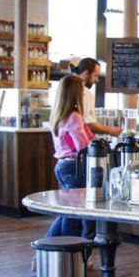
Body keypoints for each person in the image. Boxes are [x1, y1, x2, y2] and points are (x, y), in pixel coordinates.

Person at [46, 75, 94, 238]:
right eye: (81, 91)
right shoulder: (74, 116)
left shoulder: (58, 115)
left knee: (66, 211)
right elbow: (83, 146)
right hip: (74, 167)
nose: (83, 94)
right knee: (73, 214)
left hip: (62, 166)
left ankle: (47, 248)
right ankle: (69, 248)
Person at [73, 57, 121, 137]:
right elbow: (88, 124)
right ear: (86, 73)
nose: (97, 80)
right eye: (95, 76)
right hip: (78, 141)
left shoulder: (65, 90)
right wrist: (110, 130)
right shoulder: (84, 92)